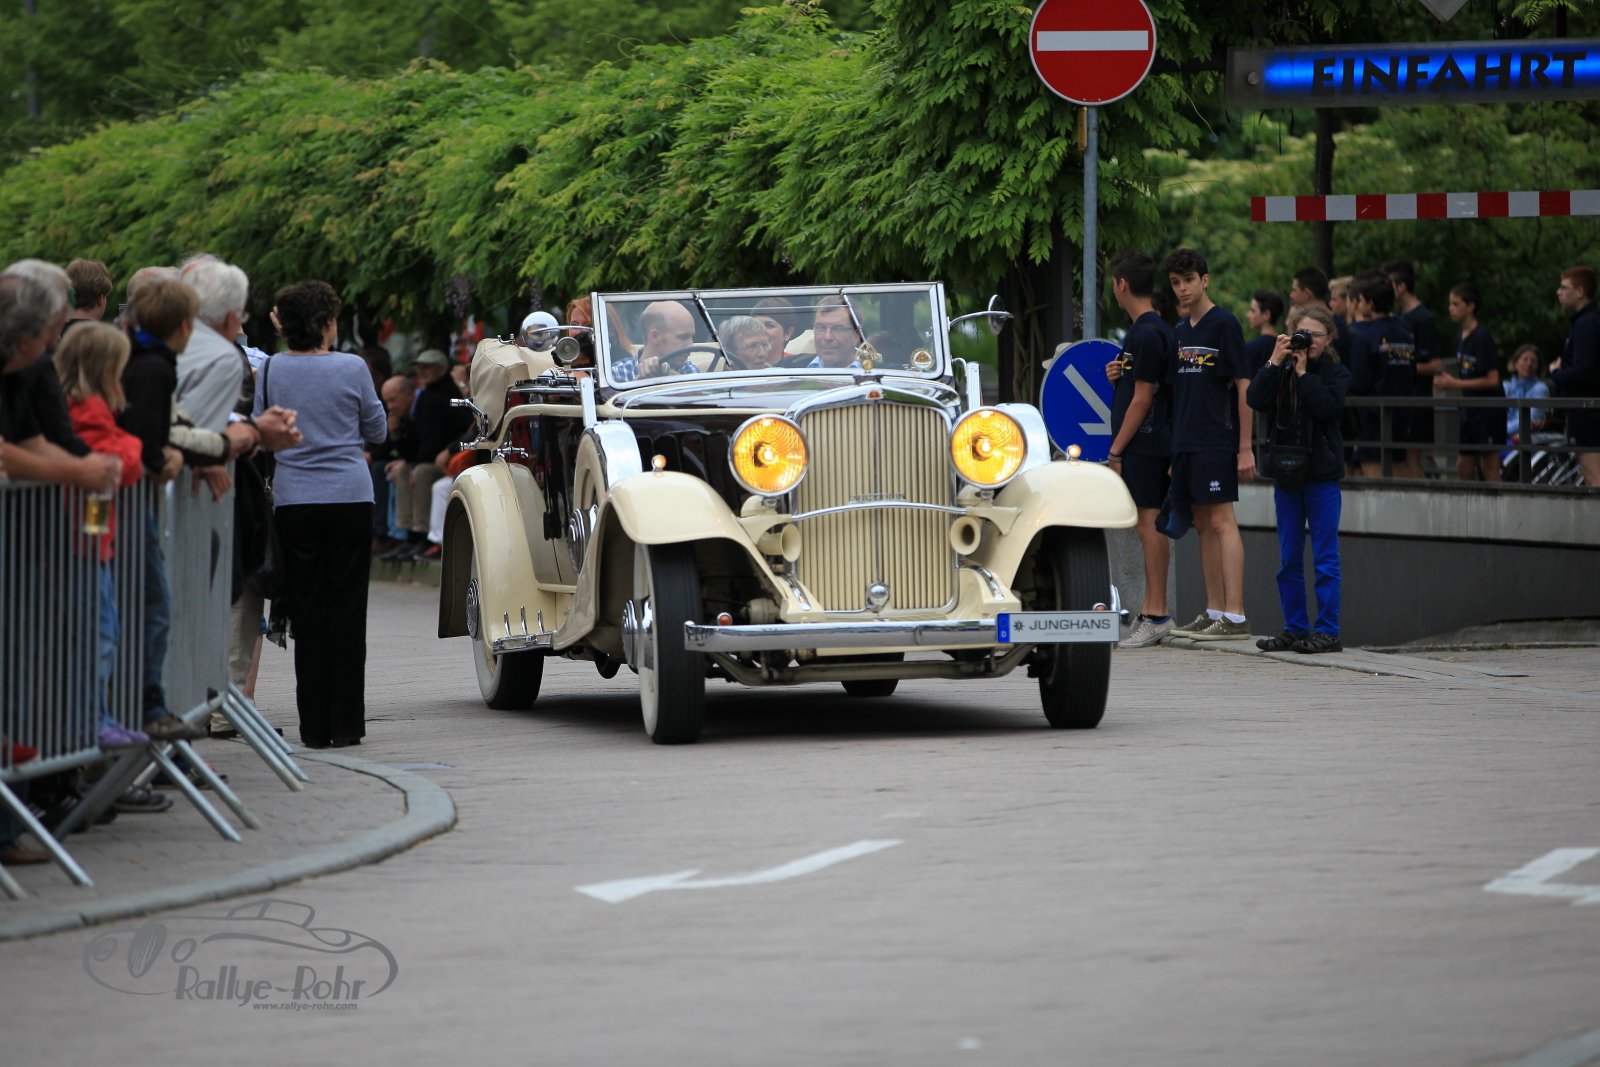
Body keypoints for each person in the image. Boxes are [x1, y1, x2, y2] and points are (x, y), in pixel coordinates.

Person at [255, 280, 387, 748]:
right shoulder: (352, 367)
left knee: (307, 611)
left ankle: (313, 726)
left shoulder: (271, 369)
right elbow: (377, 429)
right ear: (327, 322)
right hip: (349, 495)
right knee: (347, 609)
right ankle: (346, 723)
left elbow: (261, 431)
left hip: (295, 499)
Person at [57, 322, 155, 748]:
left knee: (104, 627)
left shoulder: (87, 408)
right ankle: (90, 719)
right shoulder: (89, 410)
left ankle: (97, 715)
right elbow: (122, 461)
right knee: (99, 631)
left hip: (93, 537)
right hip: (84, 539)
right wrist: (134, 446)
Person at [1247, 304, 1351, 655]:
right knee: (1288, 558)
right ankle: (1295, 628)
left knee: (1325, 559)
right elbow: (1254, 398)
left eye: (1317, 335)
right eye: (1303, 334)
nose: (1310, 341)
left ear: (1329, 337)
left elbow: (1327, 409)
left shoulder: (1336, 374)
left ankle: (1328, 632)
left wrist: (1305, 375)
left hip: (1322, 476)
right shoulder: (1281, 368)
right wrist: (1274, 362)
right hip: (1286, 473)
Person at [1164, 248, 1254, 641]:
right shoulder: (1180, 331)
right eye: (1175, 282)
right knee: (1202, 523)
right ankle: (1214, 609)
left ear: (1205, 280)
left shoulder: (1225, 324)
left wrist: (1245, 447)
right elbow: (1176, 392)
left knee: (1221, 520)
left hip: (1216, 440)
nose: (1182, 289)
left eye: (1188, 280)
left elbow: (1244, 386)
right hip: (1186, 443)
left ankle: (1236, 616)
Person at [1103, 251, 1175, 648]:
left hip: (1146, 444)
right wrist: (1120, 376)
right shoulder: (1145, 331)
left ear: (1122, 285)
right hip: (1144, 443)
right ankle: (1150, 609)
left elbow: (1144, 399)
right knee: (1145, 525)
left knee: (1149, 526)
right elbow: (1140, 384)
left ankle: (1157, 614)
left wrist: (1116, 451)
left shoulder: (1147, 333)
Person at [386, 349, 471, 561]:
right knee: (406, 470)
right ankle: (409, 534)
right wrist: (396, 435)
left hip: (455, 459)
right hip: (438, 458)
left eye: (428, 367)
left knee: (421, 472)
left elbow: (431, 444)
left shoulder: (441, 397)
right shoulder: (426, 397)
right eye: (420, 367)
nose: (422, 372)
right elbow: (419, 444)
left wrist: (417, 463)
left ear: (441, 369)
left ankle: (422, 536)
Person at [1345, 270, 1419, 478]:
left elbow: (1359, 382)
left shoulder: (1364, 335)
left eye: (1360, 300)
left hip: (1372, 416)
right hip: (1402, 412)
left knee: (1374, 471)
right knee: (1399, 466)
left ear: (1369, 303)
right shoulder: (1405, 331)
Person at [1433, 283, 1502, 482]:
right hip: (1470, 410)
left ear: (1470, 306)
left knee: (1489, 466)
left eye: (1456, 304)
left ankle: (1499, 501)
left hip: (1487, 411)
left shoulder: (1482, 336)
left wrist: (1456, 384)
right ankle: (1472, 500)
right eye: (1450, 304)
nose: (1451, 309)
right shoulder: (1460, 336)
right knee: (1463, 465)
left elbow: (1493, 379)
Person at [1384, 260, 1443, 458]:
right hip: (1403, 401)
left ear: (1401, 287)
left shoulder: (1422, 318)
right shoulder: (1400, 317)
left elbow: (1436, 365)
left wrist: (1400, 367)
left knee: (1411, 459)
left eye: (1388, 285)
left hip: (1418, 401)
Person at [1549, 266, 1599, 487]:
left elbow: (1584, 372)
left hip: (1588, 412)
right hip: (1588, 410)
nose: (1559, 292)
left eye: (1564, 287)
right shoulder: (1587, 321)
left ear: (1580, 292)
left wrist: (1557, 373)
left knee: (1593, 475)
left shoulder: (1586, 324)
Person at [610, 301, 699, 382]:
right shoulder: (617, 374)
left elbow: (699, 393)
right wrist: (639, 382)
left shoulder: (690, 371)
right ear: (655, 337)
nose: (691, 346)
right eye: (683, 337)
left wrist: (670, 376)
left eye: (692, 337)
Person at [1504, 344, 1549, 441]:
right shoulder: (1505, 386)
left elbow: (1532, 419)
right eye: (1525, 359)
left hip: (1526, 439)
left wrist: (1503, 430)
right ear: (1516, 363)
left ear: (1538, 366)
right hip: (1500, 437)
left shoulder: (1540, 388)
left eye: (1533, 361)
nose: (1529, 364)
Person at [806, 301, 864, 370]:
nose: (827, 337)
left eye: (837, 329)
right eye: (821, 328)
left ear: (856, 335)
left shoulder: (873, 371)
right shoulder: (797, 367)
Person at [1244, 289, 1284, 376]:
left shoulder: (1252, 348)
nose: (1248, 315)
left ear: (1266, 314)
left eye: (1253, 310)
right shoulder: (1284, 345)